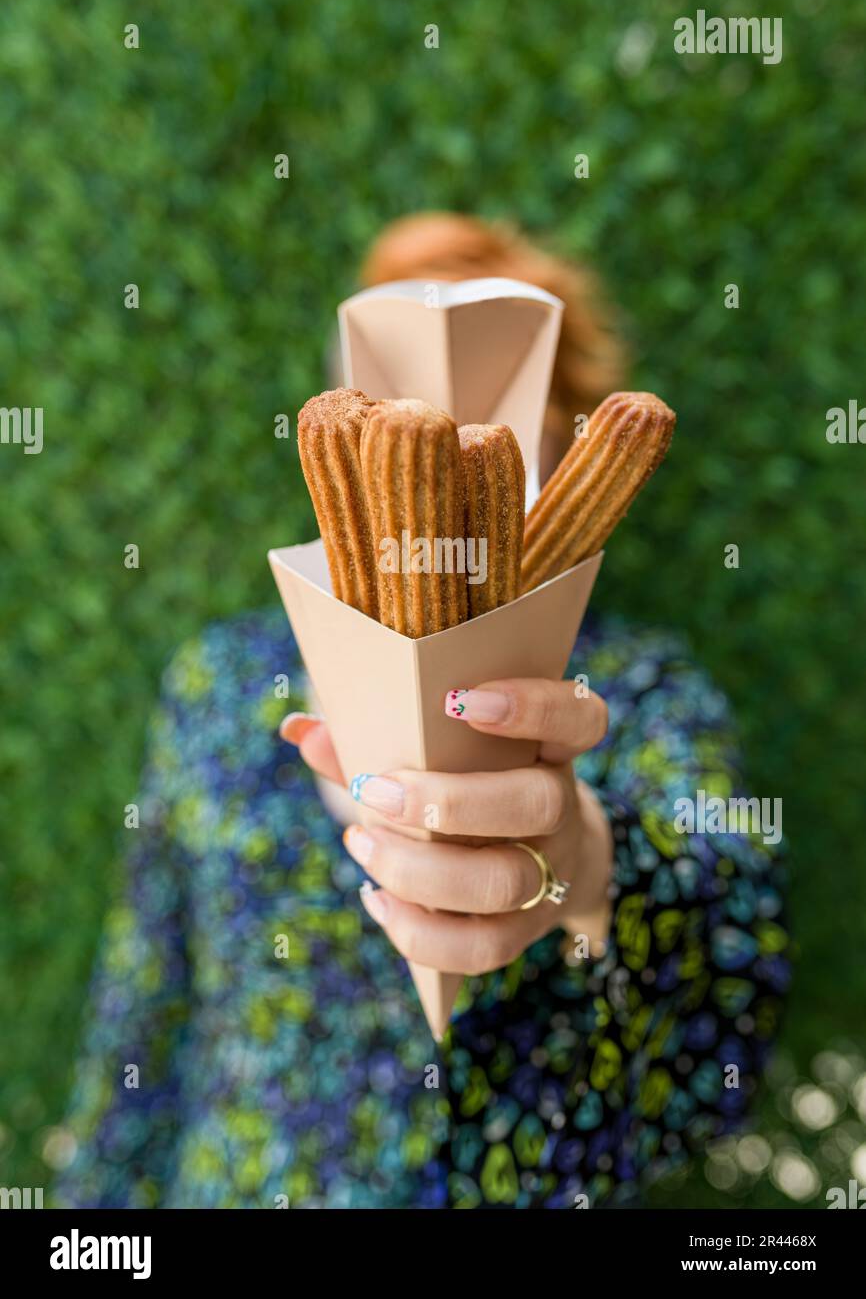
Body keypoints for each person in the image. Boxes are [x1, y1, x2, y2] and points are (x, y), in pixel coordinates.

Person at [57, 214, 788, 1210]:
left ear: (564, 434)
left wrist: (583, 869)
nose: (440, 430)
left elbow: (727, 1017)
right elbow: (143, 1004)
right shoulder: (223, 680)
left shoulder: (642, 690)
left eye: (491, 392)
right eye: (401, 385)